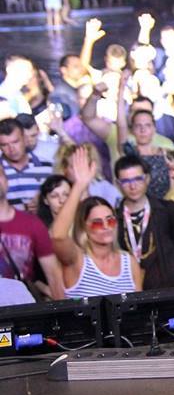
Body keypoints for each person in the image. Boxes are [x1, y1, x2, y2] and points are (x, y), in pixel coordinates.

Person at [52, 151, 141, 298]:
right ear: (84, 227)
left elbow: (138, 307)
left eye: (110, 220)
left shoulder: (129, 263)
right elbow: (58, 236)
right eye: (97, 223)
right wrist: (79, 186)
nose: (106, 226)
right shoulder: (77, 260)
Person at [114, 154, 174, 290]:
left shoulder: (164, 209)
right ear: (118, 184)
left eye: (138, 179)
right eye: (126, 181)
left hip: (172, 290)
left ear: (147, 179)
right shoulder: (113, 218)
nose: (133, 186)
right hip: (134, 292)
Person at [0, 168, 64, 300]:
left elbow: (53, 275)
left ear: (6, 181)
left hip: (22, 303)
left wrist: (62, 308)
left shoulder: (31, 224)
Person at [0, 118, 53, 212]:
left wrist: (42, 204)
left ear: (25, 139)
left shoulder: (47, 168)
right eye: (4, 145)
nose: (11, 149)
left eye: (15, 142)